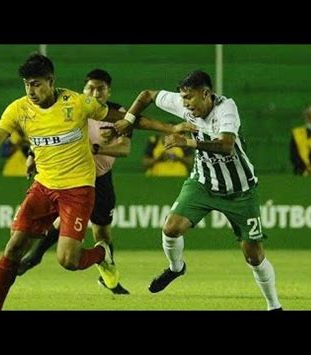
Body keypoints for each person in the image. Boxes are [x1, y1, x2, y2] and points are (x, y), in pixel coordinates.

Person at [0, 54, 189, 310]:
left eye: (37, 83)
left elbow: (128, 120)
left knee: (68, 260)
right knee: (14, 247)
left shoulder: (79, 103)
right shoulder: (18, 109)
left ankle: (102, 253)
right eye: (27, 84)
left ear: (51, 81)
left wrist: (171, 129)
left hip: (78, 189)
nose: (31, 90)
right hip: (44, 187)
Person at [116, 70, 282, 311]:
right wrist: (129, 119)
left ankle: (273, 305)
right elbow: (147, 95)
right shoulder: (185, 103)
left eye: (190, 98)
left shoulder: (226, 109)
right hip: (203, 183)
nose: (185, 104)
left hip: (240, 190)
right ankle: (176, 268)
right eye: (183, 98)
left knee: (254, 256)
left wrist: (188, 142)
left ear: (206, 94)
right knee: (171, 228)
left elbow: (226, 146)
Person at [17, 69, 135, 294]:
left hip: (100, 179)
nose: (95, 92)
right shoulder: (73, 109)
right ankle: (34, 256)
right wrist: (32, 155)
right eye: (90, 88)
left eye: (100, 88)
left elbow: (125, 149)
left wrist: (98, 148)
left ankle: (108, 276)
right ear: (84, 90)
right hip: (71, 176)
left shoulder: (118, 114)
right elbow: (47, 133)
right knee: (62, 220)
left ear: (108, 91)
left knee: (102, 234)